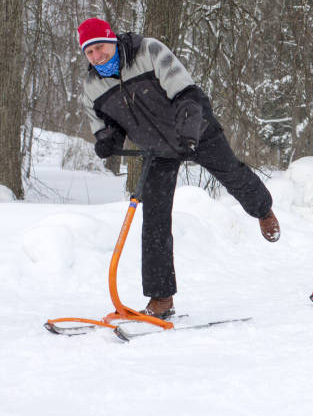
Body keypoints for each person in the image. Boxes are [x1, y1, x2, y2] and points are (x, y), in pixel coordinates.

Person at [77, 17, 280, 318]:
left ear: (113, 40)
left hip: (195, 130)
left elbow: (186, 93)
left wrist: (188, 133)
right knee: (155, 220)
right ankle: (161, 299)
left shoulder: (148, 51)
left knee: (232, 175)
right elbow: (106, 124)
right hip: (155, 149)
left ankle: (263, 210)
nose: (97, 56)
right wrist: (107, 139)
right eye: (89, 52)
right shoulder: (92, 86)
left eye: (101, 47)